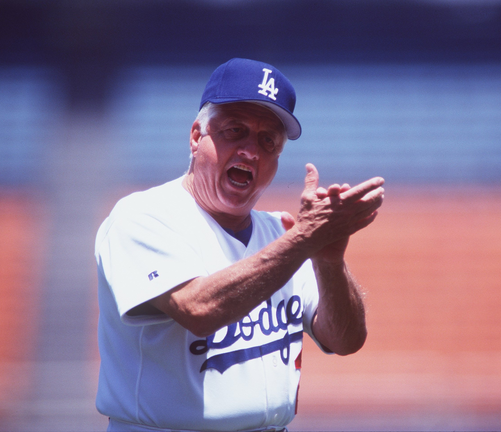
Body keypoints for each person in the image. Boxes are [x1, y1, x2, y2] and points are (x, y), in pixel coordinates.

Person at [94, 58, 385, 432]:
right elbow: (197, 308)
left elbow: (345, 339)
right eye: (235, 130)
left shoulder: (285, 231)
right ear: (197, 136)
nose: (251, 151)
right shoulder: (143, 217)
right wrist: (305, 240)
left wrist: (329, 260)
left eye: (268, 141)